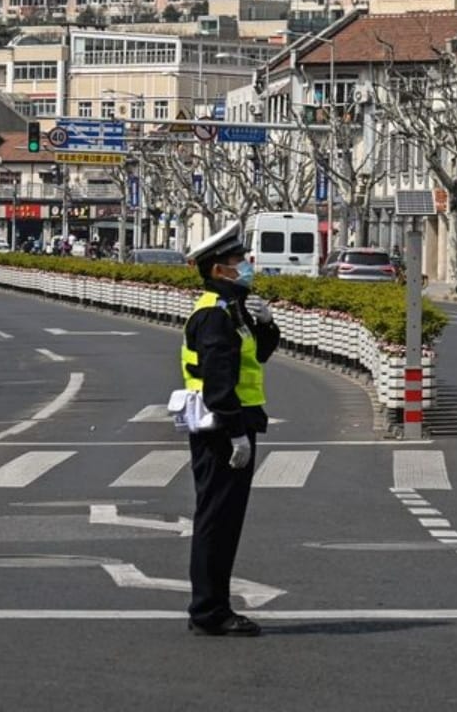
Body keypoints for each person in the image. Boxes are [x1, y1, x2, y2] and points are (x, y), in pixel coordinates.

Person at [181, 220, 281, 638]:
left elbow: (256, 357)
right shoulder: (214, 315)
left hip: (230, 426)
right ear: (219, 269)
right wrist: (235, 433)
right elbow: (219, 380)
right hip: (221, 431)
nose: (247, 266)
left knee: (224, 521)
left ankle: (212, 606)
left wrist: (267, 323)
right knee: (216, 522)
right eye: (239, 262)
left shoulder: (232, 309)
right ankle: (209, 611)